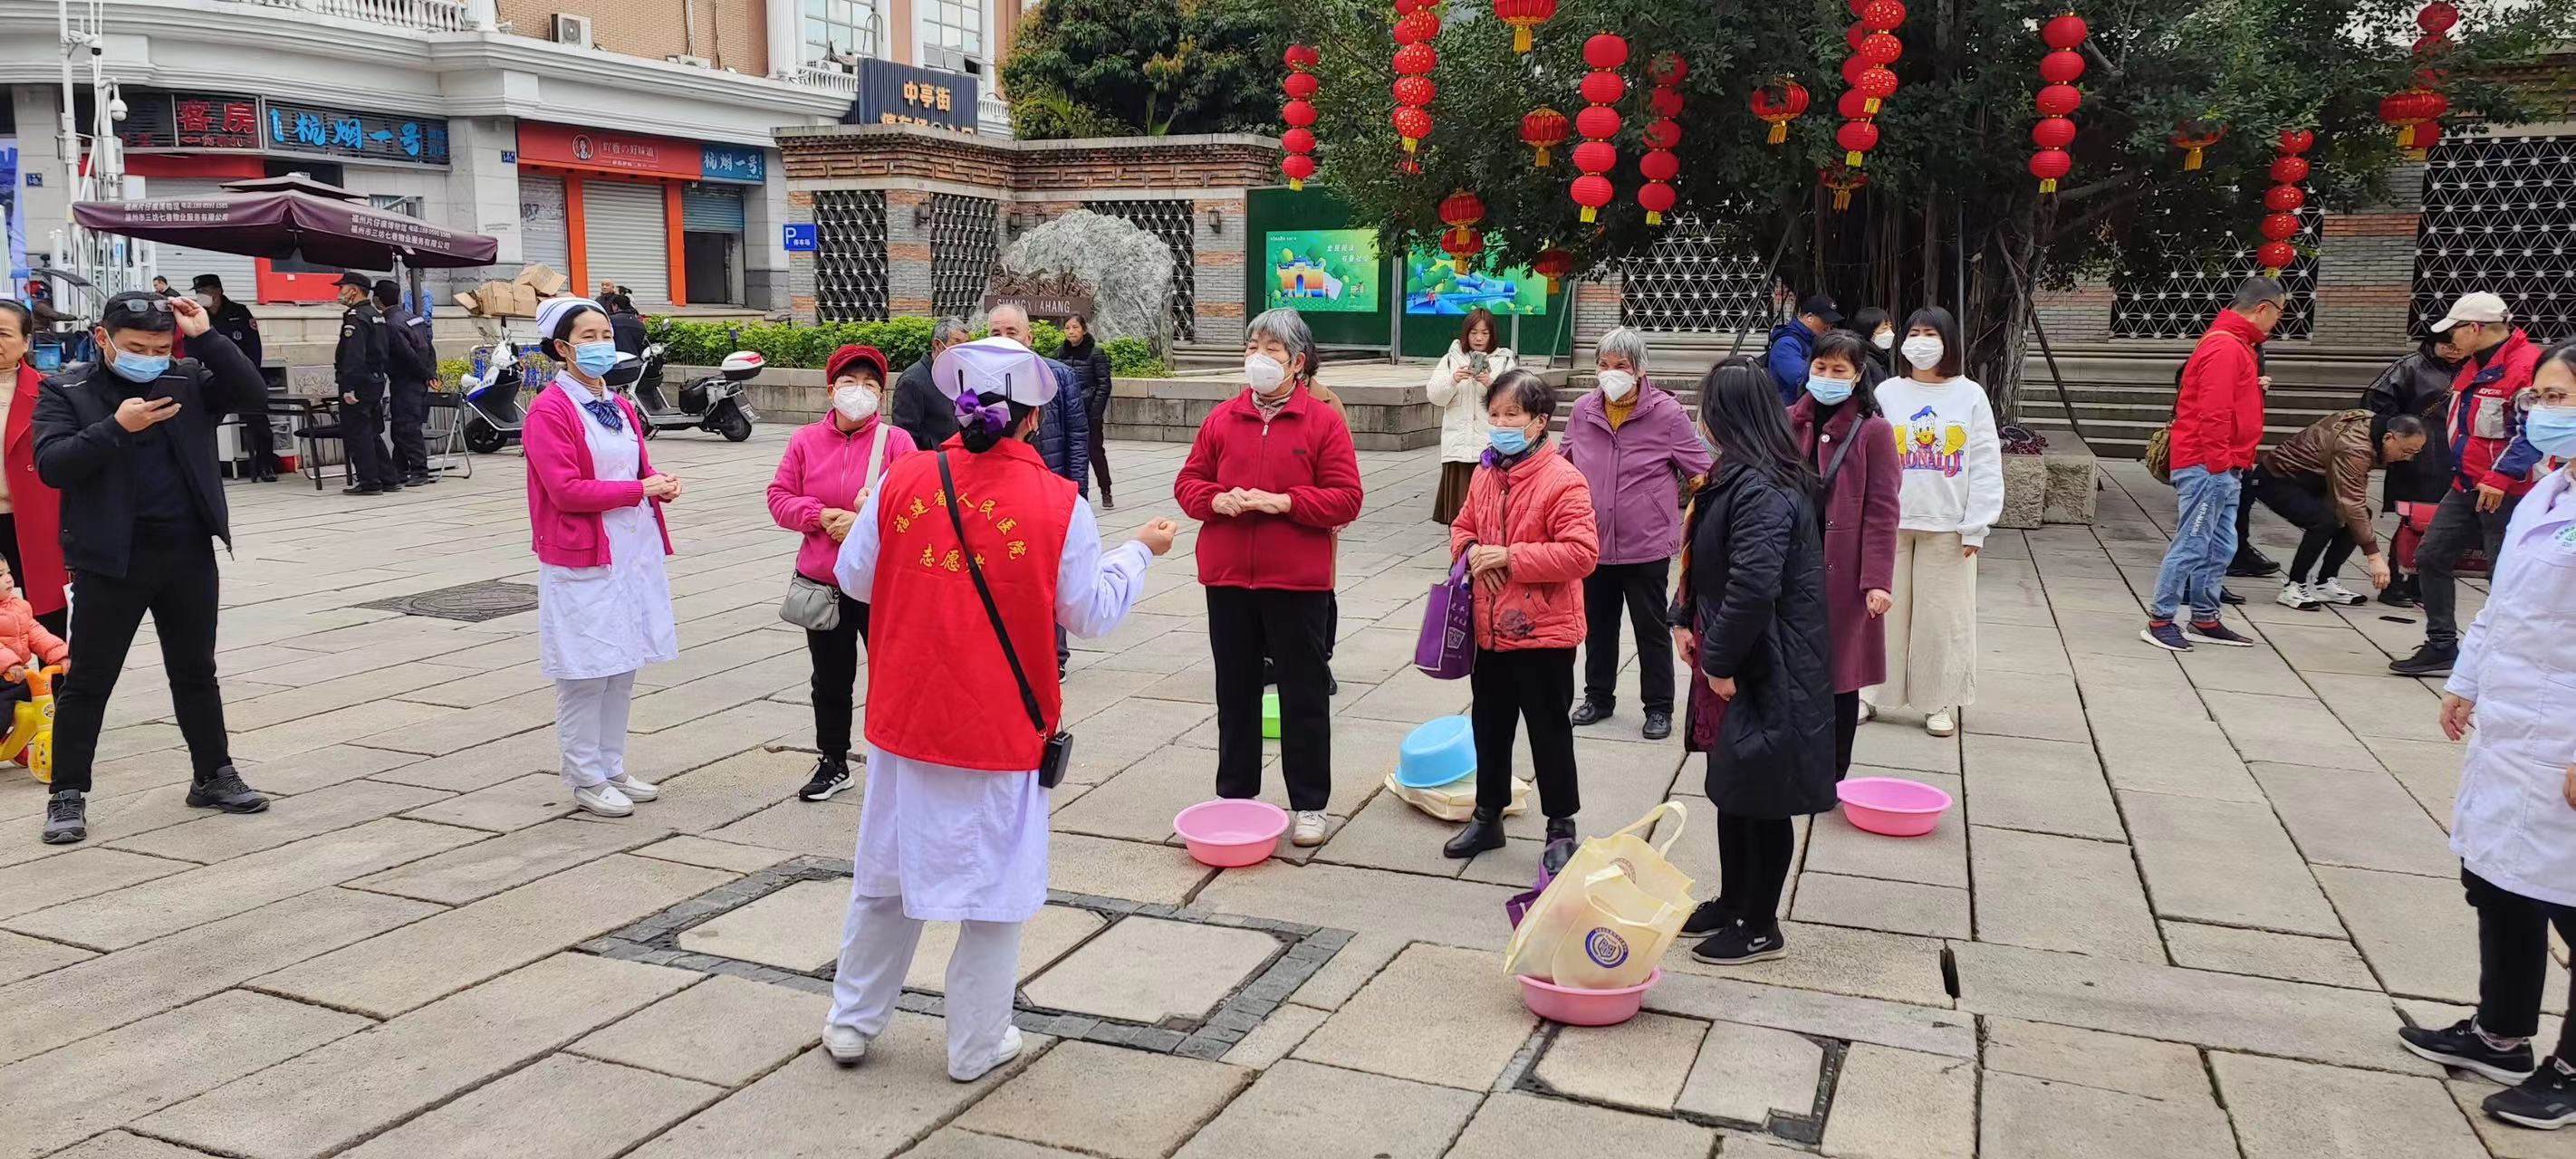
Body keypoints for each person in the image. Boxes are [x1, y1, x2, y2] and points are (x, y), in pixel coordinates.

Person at [821, 335, 1177, 1082]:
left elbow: (854, 579)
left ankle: (850, 1024)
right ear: (1035, 418)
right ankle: (976, 1044)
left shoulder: (904, 479)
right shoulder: (1059, 503)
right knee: (992, 894)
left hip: (907, 716)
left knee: (886, 878)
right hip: (1000, 726)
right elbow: (1089, 611)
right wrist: (1138, 552)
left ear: (960, 407)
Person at [2398, 339, 2576, 1133]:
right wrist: (2465, 682)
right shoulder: (2548, 492)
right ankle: (2500, 1033)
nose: (2542, 413)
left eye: (2560, 398)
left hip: (2565, 736)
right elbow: (2505, 605)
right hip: (2516, 724)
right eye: (2539, 398)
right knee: (2499, 877)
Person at [34, 292, 268, 845]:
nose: (150, 358)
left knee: (195, 670)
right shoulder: (67, 390)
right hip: (109, 557)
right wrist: (117, 427)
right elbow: (52, 465)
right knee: (89, 679)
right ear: (103, 338)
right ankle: (67, 794)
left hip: (186, 550)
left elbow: (252, 395)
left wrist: (206, 335)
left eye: (161, 348)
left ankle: (213, 774)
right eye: (137, 347)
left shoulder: (186, 379)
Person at [1176, 308, 1364, 848]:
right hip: (1229, 579)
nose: (1258, 358)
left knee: (1304, 694)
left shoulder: (1321, 421)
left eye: (1271, 350)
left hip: (1296, 582)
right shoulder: (1223, 418)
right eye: (1252, 347)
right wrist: (1216, 499)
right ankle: (1236, 795)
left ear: (1297, 362)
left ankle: (1309, 803)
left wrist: (1287, 502)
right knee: (1235, 692)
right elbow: (1188, 483)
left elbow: (1346, 498)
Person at [1676, 363, 1836, 964]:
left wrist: (1719, 662)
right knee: (1733, 785)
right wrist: (1681, 618)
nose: (1700, 419)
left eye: (1706, 408)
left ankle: (1761, 924)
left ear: (1728, 415)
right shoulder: (1734, 475)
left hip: (1769, 662)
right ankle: (1732, 901)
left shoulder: (1764, 488)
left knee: (1763, 794)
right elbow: (1704, 561)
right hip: (1739, 652)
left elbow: (1752, 588)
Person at [523, 296, 679, 819]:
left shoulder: (618, 403)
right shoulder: (550, 410)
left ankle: (612, 765)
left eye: (606, 334)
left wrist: (657, 484)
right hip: (583, 555)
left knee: (622, 665)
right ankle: (584, 775)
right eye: (587, 337)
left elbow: (636, 468)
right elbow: (565, 491)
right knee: (586, 671)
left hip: (629, 550)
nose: (601, 345)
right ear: (561, 348)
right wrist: (639, 490)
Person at [1441, 369, 1599, 868]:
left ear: (1539, 422)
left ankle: (1561, 826)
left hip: (1543, 632)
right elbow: (1462, 526)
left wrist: (1510, 557)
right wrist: (1471, 553)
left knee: (1549, 731)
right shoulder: (1486, 473)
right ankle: (1488, 816)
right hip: (1489, 629)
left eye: (1513, 414)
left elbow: (1581, 554)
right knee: (1489, 726)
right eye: (1494, 414)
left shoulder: (1563, 479)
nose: (1501, 423)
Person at [770, 343, 918, 803]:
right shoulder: (804, 441)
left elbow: (915, 506)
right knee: (830, 679)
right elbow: (779, 497)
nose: (859, 391)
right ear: (831, 390)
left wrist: (867, 520)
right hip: (824, 582)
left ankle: (899, 761)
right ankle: (833, 760)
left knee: (895, 676)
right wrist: (818, 515)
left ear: (881, 394)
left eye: (870, 384)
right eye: (850, 383)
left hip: (880, 583)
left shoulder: (897, 442)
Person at [1564, 326, 1713, 741]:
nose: (1611, 373)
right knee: (1598, 625)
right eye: (1604, 364)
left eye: (1621, 365)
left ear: (1640, 369)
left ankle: (1659, 707)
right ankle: (1598, 697)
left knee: (1651, 629)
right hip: (1592, 540)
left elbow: (1700, 472)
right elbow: (1563, 465)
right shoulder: (1583, 410)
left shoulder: (1666, 413)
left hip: (1645, 544)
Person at [2393, 292, 2547, 677]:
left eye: (2455, 330)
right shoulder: (2477, 363)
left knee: (2503, 573)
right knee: (2431, 556)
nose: (2450, 339)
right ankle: (2442, 645)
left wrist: (2500, 477)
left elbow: (2532, 432)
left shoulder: (2525, 367)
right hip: (2466, 483)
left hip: (2506, 491)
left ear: (2475, 328)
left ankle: (2507, 656)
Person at [1870, 307, 2004, 734]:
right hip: (1889, 522)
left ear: (1948, 342)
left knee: (1942, 621)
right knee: (1880, 614)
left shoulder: (1970, 395)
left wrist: (1978, 523)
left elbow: (1985, 460)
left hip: (1948, 526)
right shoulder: (1887, 392)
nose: (1920, 342)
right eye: (1914, 333)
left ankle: (1938, 700)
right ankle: (1869, 694)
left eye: (1931, 333)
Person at [2141, 278, 2283, 654]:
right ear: (2263, 308)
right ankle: (2161, 619)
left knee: (2221, 546)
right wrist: (2220, 464)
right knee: (2192, 542)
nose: (2277, 322)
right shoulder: (2225, 346)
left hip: (2225, 463)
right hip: (2209, 464)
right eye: (2279, 313)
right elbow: (2213, 411)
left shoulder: (2236, 345)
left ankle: (2204, 617)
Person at [1788, 330, 1899, 772]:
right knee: (1790, 669)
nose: (1828, 377)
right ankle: (1792, 767)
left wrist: (1877, 581)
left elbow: (1883, 511)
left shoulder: (1874, 432)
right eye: (1821, 367)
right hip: (1789, 565)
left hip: (1844, 572)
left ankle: (1833, 773)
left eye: (1839, 370)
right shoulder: (1788, 421)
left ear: (1857, 376)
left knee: (1840, 677)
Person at [2248, 409, 2427, 609]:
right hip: (2277, 477)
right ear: (2388, 438)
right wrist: (2374, 556)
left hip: (2313, 480)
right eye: (2406, 451)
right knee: (2324, 521)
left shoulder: (2371, 428)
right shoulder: (2355, 446)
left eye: (2415, 453)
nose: (2407, 458)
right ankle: (2294, 586)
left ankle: (2325, 582)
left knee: (2355, 519)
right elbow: (2352, 502)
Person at [2361, 332, 2466, 607]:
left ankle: (2421, 582)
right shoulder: (2412, 366)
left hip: (2454, 453)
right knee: (2414, 521)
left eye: (2459, 347)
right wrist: (2405, 429)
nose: (2454, 351)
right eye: (2447, 345)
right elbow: (2377, 400)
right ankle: (2395, 582)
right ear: (2433, 342)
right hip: (2417, 454)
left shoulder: (2473, 368)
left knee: (2443, 522)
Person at [0, 302, 68, 635]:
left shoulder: (49, 391)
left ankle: (54, 668)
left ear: (26, 341)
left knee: (47, 611)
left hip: (33, 518)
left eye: (3, 334)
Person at [1425, 307, 1516, 524]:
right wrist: (1453, 379)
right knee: (1458, 515)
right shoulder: (1451, 359)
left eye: (1485, 333)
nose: (1479, 338)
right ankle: (1459, 547)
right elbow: (1435, 396)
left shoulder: (1505, 361)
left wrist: (1490, 383)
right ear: (1466, 333)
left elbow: (1515, 401)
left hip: (1489, 449)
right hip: (1457, 450)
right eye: (1474, 333)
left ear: (1492, 335)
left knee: (1488, 513)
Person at [985, 305, 1087, 496]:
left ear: (1029, 337)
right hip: (998, 486)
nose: (1003, 340)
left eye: (1012, 333)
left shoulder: (1060, 376)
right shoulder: (978, 380)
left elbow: (1077, 440)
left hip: (1049, 482)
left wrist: (1078, 496)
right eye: (996, 333)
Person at [191, 275, 274, 483]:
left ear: (217, 291)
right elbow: (192, 350)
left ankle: (266, 465)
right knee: (203, 424)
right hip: (211, 379)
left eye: (204, 291)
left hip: (241, 378)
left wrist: (251, 376)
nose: (200, 296)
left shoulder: (239, 312)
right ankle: (207, 469)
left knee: (259, 423)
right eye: (198, 292)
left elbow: (254, 347)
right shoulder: (198, 315)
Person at [331, 271, 400, 496]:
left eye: (342, 287)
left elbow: (354, 355)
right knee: (370, 431)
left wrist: (348, 386)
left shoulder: (356, 317)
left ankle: (369, 481)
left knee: (358, 433)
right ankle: (388, 478)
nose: (339, 292)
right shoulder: (375, 315)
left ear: (354, 290)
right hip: (375, 379)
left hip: (359, 382)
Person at [374, 280, 437, 488]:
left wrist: (424, 374)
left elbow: (407, 355)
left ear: (377, 300)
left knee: (406, 427)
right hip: (417, 379)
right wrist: (430, 373)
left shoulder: (390, 324)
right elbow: (429, 346)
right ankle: (399, 470)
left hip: (406, 380)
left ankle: (420, 470)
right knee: (402, 427)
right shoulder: (413, 318)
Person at [1059, 314, 1116, 510]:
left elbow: (1104, 385)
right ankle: (1073, 494)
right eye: (1067, 328)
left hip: (1089, 411)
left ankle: (1106, 490)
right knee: (1070, 453)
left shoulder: (1096, 353)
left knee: (1095, 451)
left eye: (1075, 327)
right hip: (1069, 412)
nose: (1071, 331)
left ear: (1084, 330)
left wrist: (1095, 411)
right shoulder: (1060, 353)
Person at [892, 316, 969, 452]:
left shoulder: (962, 375)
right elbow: (905, 436)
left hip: (959, 458)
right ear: (938, 345)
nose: (963, 351)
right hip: (932, 461)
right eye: (957, 344)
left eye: (966, 345)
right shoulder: (912, 381)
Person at [1765, 292, 1841, 405]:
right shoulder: (1786, 344)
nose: (1828, 328)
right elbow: (1801, 379)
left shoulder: (1812, 340)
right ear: (1810, 318)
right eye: (1825, 322)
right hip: (1787, 408)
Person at [1851, 307, 1897, 377]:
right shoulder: (1865, 362)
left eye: (1890, 327)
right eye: (1884, 328)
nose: (1890, 332)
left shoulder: (1878, 356)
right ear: (1868, 331)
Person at [604, 292, 649, 357]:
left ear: (616, 306)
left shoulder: (610, 321)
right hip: (634, 359)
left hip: (616, 359)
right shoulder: (639, 323)